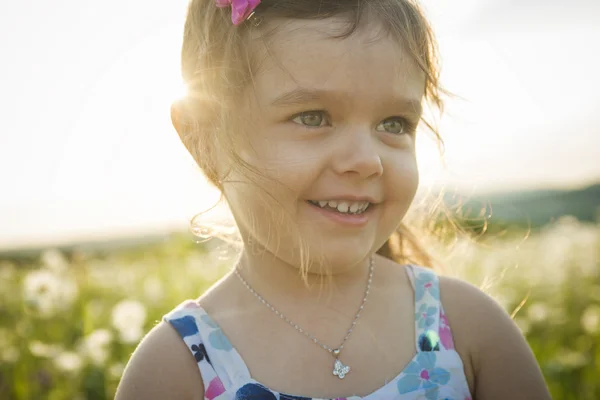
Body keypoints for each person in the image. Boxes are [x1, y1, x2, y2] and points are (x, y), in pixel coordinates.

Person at [116, 0, 551, 399]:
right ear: (204, 139)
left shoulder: (469, 328)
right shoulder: (175, 371)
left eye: (395, 123)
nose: (366, 161)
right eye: (313, 117)